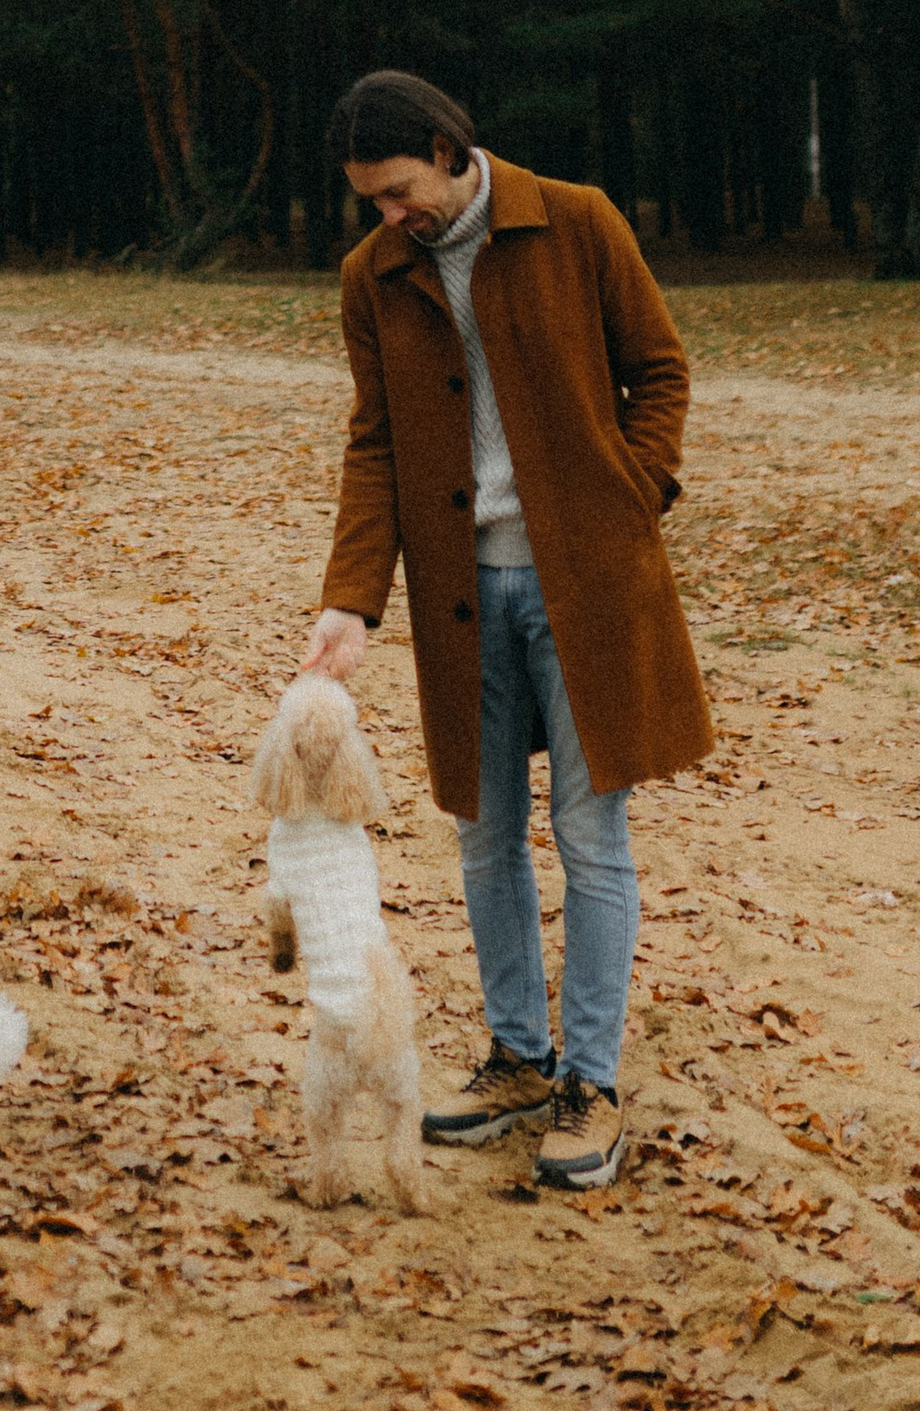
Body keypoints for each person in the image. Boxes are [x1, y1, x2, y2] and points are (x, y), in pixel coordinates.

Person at [301, 68, 709, 1192]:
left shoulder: (575, 220)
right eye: (369, 202)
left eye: (397, 190)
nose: (389, 215)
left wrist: (634, 494)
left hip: (589, 588)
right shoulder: (372, 275)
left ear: (445, 147)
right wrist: (350, 597)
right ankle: (517, 1061)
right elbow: (374, 443)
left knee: (590, 839)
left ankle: (589, 1082)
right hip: (458, 599)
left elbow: (660, 371)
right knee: (482, 837)